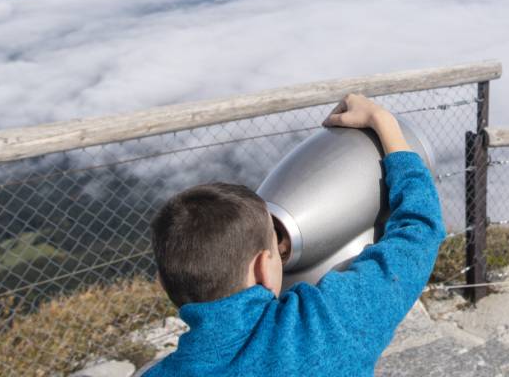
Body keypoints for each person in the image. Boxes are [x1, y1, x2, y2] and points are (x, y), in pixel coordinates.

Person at [139, 94, 445, 376]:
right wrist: (383, 121)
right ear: (262, 268)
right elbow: (419, 232)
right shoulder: (325, 327)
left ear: (163, 281)